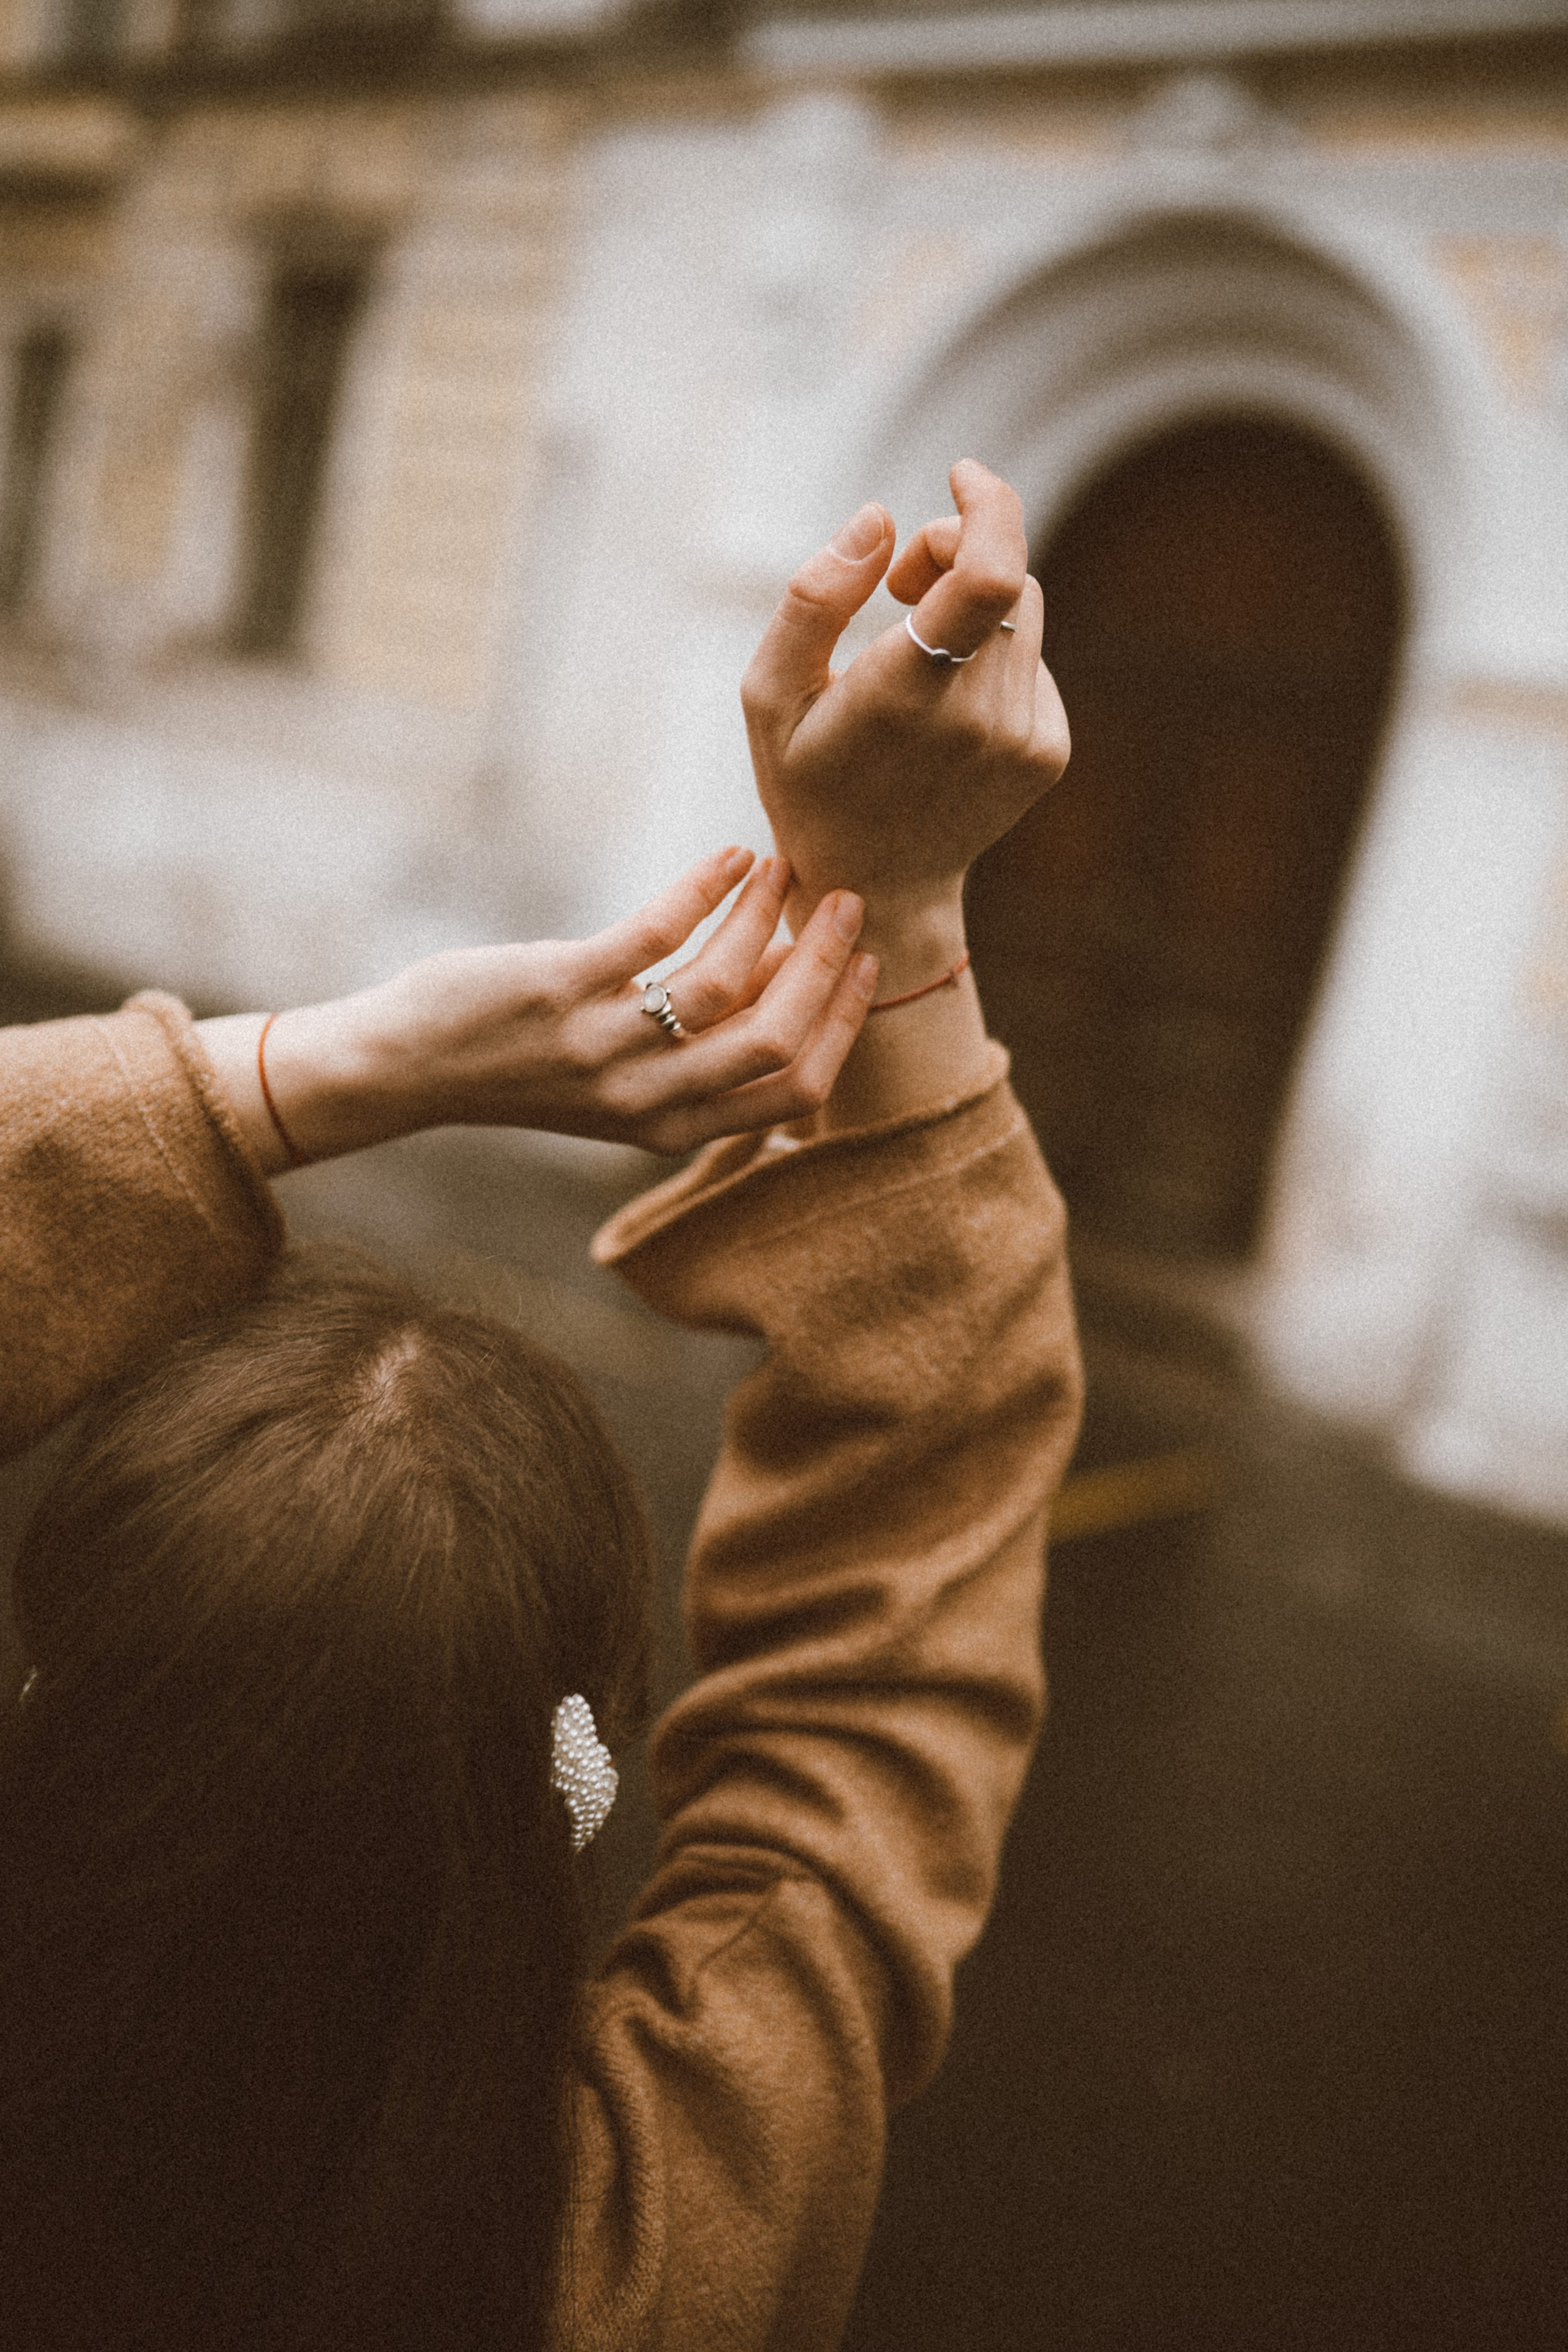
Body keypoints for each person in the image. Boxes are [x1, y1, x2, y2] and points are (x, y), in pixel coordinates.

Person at [0, 461, 1080, 2351]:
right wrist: (898, 918)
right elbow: (868, 1723)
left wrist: (317, 1069)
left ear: (44, 1687)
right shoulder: (642, 2271)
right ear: (571, 1789)